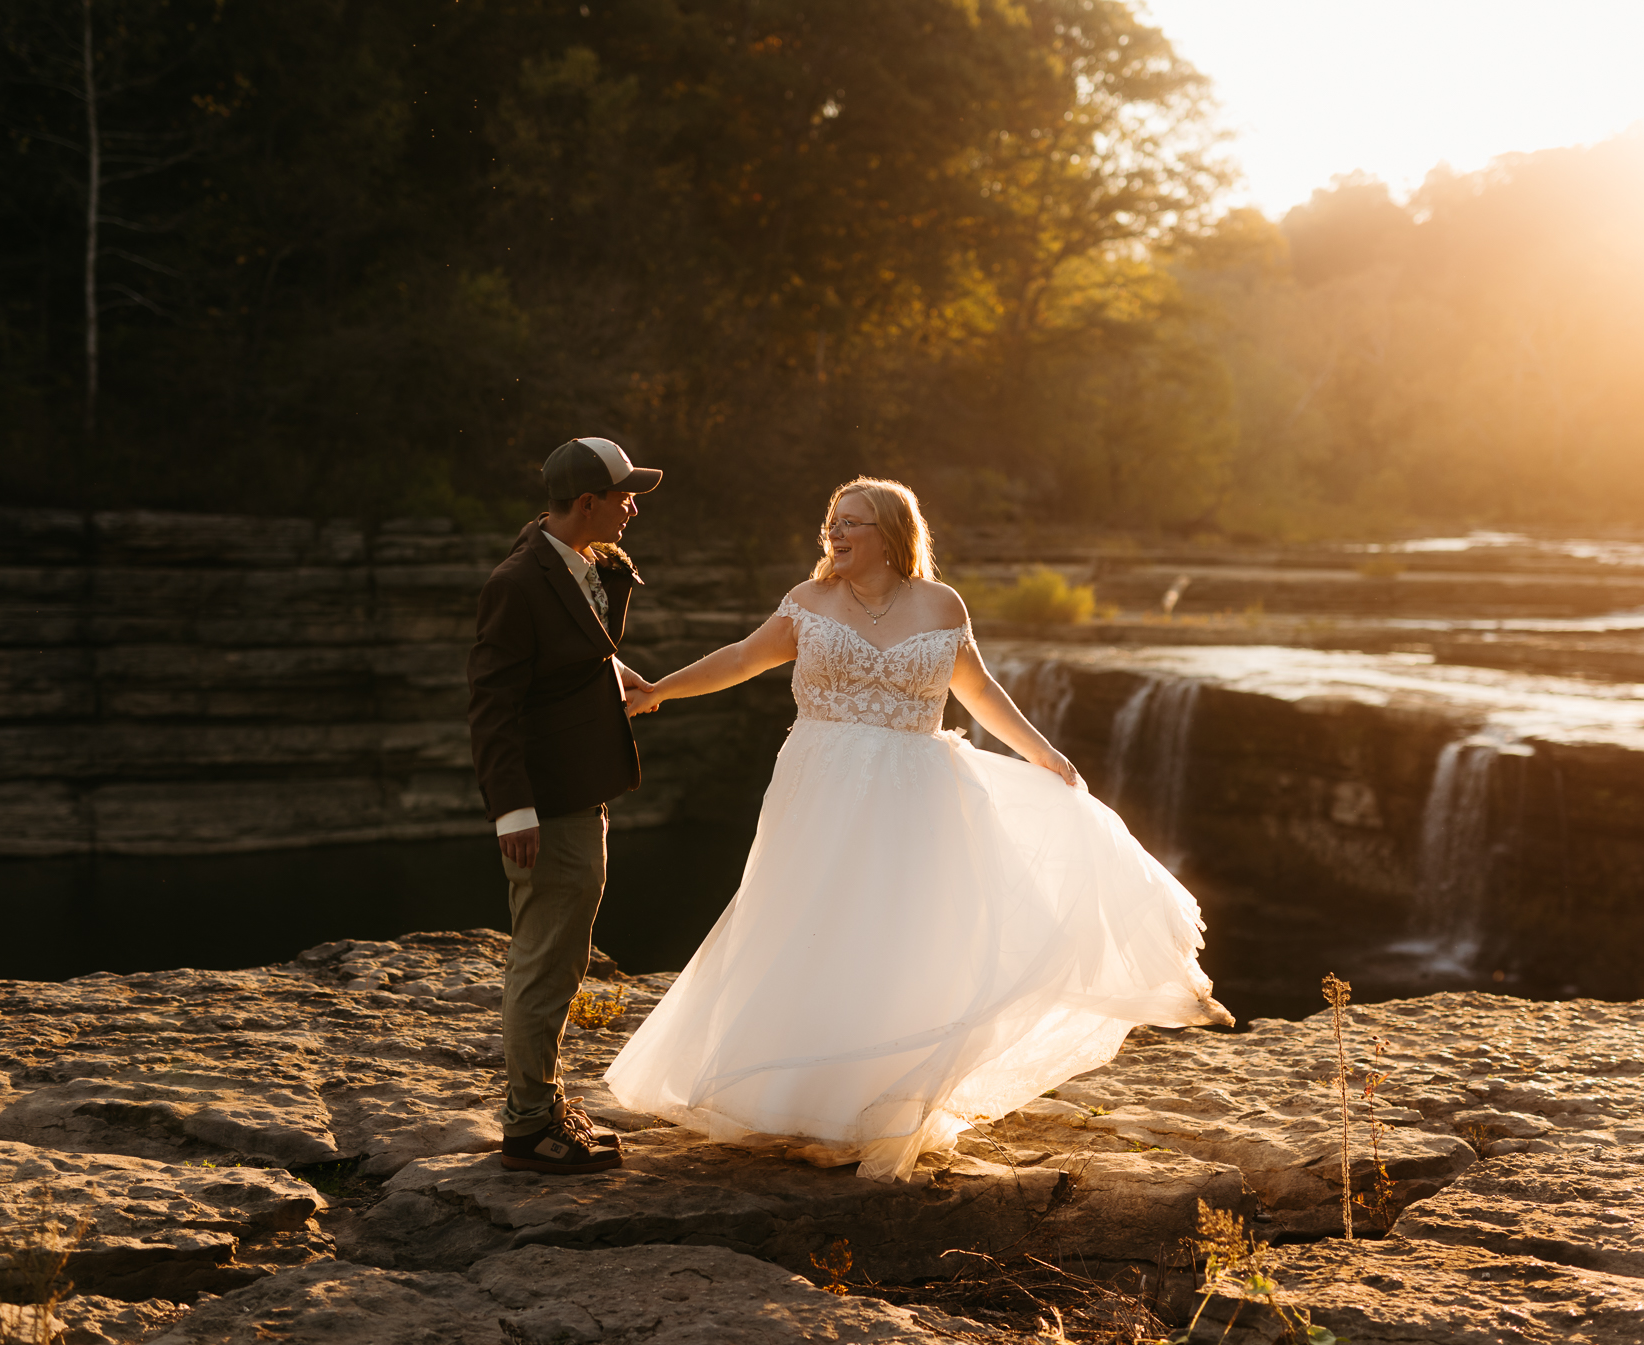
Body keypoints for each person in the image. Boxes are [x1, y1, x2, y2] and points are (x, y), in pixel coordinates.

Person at [606, 476, 1231, 1181]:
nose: (836, 534)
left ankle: (872, 1108)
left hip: (915, 794)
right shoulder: (808, 603)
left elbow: (980, 690)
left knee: (897, 942)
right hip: (823, 784)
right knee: (811, 927)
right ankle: (791, 1102)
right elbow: (743, 659)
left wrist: (1043, 752)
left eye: (853, 523)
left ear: (892, 534)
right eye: (832, 522)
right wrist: (659, 689)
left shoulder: (940, 604)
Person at [467, 436, 661, 1174]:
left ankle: (543, 1103)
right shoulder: (517, 582)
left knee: (562, 954)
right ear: (589, 503)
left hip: (579, 792)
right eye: (624, 495)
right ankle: (527, 1126)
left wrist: (619, 675)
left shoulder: (573, 561)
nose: (633, 506)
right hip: (546, 808)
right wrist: (513, 809)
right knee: (546, 961)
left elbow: (571, 651)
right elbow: (493, 704)